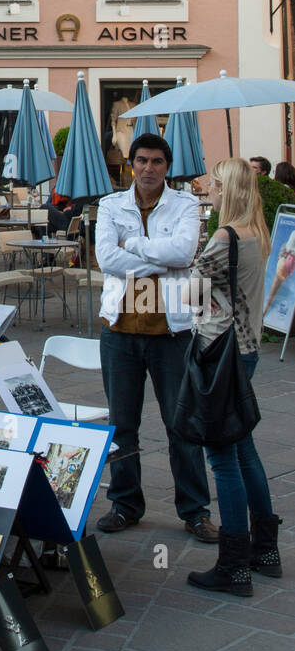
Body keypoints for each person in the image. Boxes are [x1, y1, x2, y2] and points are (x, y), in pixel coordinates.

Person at [94, 132, 218, 542]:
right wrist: (154, 258)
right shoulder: (111, 205)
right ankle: (125, 504)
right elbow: (105, 259)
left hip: (172, 331)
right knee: (122, 424)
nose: (149, 168)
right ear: (132, 164)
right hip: (120, 330)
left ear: (168, 166)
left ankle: (195, 510)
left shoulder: (185, 205)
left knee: (182, 423)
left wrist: (132, 244)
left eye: (157, 161)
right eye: (142, 161)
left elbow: (184, 253)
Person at [186, 159, 281, 595]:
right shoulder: (257, 234)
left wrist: (193, 259)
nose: (211, 192)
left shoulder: (224, 238)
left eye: (216, 186)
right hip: (248, 351)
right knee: (245, 452)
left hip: (221, 353)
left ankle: (234, 564)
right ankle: (265, 551)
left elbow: (192, 293)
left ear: (230, 190)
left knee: (222, 456)